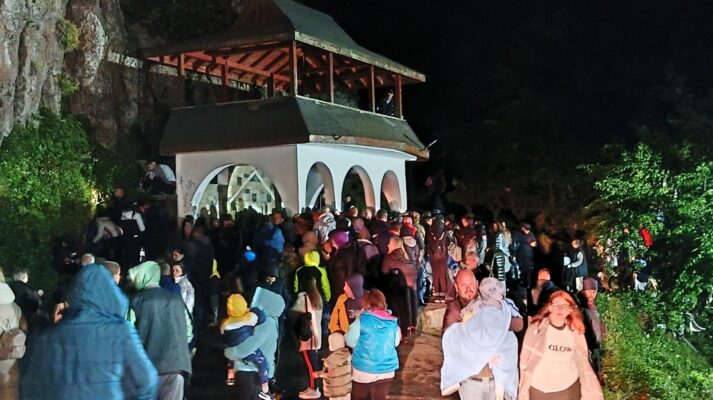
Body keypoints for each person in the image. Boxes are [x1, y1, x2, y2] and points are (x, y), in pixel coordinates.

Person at [20, 264, 158, 399]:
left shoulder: (45, 337)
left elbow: (30, 385)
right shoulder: (121, 332)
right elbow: (146, 381)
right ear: (110, 294)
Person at [441, 278, 520, 399]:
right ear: (457, 287)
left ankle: (503, 383)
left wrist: (502, 323)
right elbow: (452, 342)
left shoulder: (502, 304)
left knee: (510, 343)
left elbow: (518, 324)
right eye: (464, 285)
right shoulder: (458, 308)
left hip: (493, 377)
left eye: (471, 284)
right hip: (472, 382)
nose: (468, 288)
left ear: (477, 285)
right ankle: (452, 379)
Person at [518, 290, 604, 400]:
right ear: (550, 307)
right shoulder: (536, 329)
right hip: (538, 389)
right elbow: (524, 359)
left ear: (570, 310)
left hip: (568, 389)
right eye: (557, 305)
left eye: (565, 306)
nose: (560, 309)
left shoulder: (576, 332)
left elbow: (583, 361)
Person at [128, 261, 192, 400]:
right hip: (176, 365)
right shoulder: (176, 300)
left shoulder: (136, 300)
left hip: (146, 367)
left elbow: (128, 333)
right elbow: (188, 332)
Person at [225, 287, 285, 399]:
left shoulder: (263, 323)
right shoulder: (271, 319)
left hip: (251, 372)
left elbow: (245, 348)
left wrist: (228, 352)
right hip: (257, 372)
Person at [345, 289, 400, 400]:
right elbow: (396, 342)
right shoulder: (393, 322)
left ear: (365, 303)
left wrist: (357, 319)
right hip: (386, 371)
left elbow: (349, 341)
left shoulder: (361, 320)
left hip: (363, 370)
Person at [221, 294, 272, 399]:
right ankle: (265, 389)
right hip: (247, 351)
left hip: (232, 351)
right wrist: (251, 310)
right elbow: (261, 317)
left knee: (231, 355)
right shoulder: (247, 319)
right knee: (262, 362)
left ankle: (230, 375)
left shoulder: (225, 323)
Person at [293, 277, 324, 399]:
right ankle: (314, 388)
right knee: (313, 363)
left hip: (307, 338)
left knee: (310, 366)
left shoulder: (303, 297)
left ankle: (313, 389)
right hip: (316, 337)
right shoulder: (318, 298)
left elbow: (294, 312)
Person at [381, 237, 418, 338]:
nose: (388, 245)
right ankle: (411, 325)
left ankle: (401, 331)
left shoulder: (389, 259)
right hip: (410, 295)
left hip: (396, 292)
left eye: (389, 243)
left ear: (394, 245)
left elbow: (384, 275)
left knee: (398, 308)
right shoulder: (407, 257)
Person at [579, 277, 606, 385]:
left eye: (594, 292)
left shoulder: (593, 306)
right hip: (587, 346)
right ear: (583, 291)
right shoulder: (581, 307)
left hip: (595, 346)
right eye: (588, 291)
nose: (591, 294)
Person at [315, 332, 353, 400]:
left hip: (334, 391)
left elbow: (329, 374)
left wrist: (319, 374)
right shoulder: (348, 356)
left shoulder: (329, 361)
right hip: (346, 389)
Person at [426, 217, 450, 302]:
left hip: (433, 257)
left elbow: (427, 244)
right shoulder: (445, 232)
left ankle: (436, 291)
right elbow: (448, 242)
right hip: (443, 256)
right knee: (442, 274)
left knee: (435, 274)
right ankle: (443, 291)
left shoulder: (430, 232)